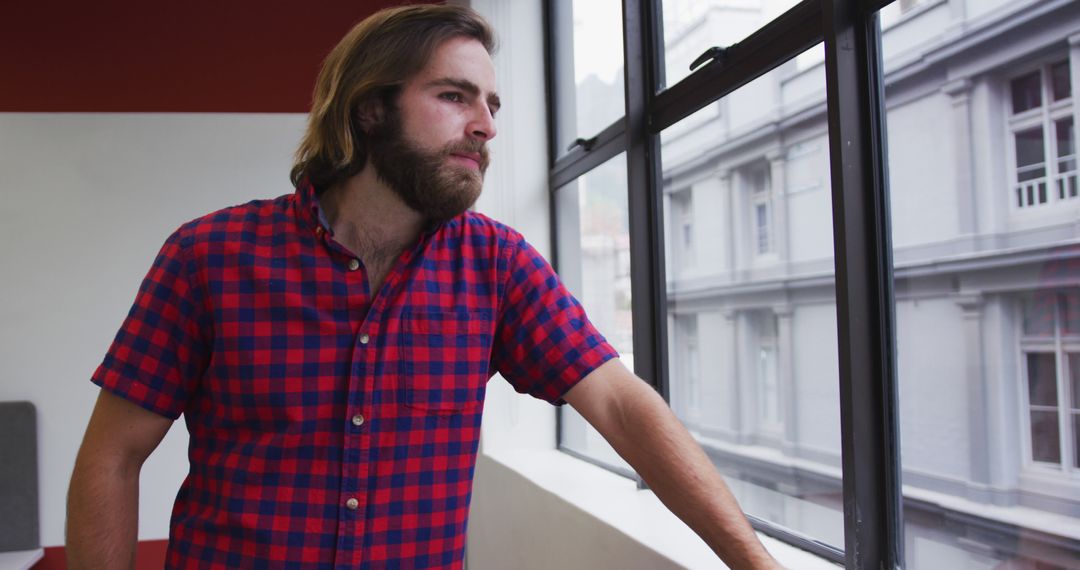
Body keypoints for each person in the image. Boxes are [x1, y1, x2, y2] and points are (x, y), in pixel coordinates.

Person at [65, 4, 781, 569]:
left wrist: (755, 564)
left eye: (493, 105)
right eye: (454, 96)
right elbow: (112, 455)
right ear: (370, 109)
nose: (485, 126)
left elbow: (621, 406)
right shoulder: (208, 256)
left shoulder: (496, 265)